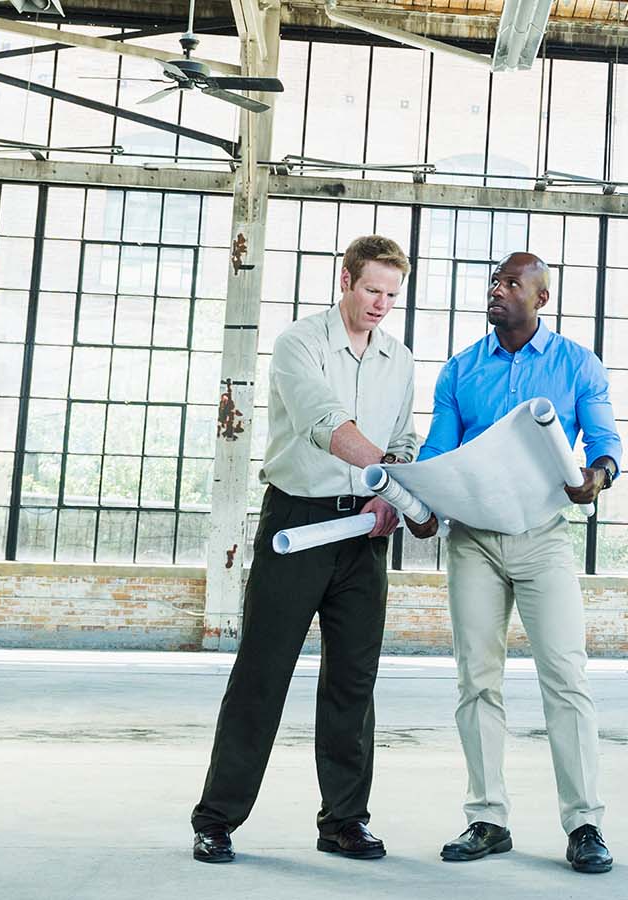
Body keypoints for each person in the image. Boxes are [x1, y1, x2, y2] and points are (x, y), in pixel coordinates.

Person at [190, 235, 419, 864]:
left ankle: (344, 820)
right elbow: (329, 428)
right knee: (263, 674)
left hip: (365, 533)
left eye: (392, 294)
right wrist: (394, 482)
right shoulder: (299, 344)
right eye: (372, 289)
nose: (380, 304)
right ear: (344, 279)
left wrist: (390, 493)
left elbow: (402, 436)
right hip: (299, 524)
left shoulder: (398, 360)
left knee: (353, 681)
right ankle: (216, 818)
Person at [418, 251, 621, 874]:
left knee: (565, 676)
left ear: (541, 298)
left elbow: (605, 443)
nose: (497, 290)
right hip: (473, 540)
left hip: (543, 536)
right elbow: (437, 450)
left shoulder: (576, 364)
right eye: (494, 281)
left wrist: (597, 476)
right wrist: (419, 495)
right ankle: (487, 819)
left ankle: (584, 823)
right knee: (477, 680)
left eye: (512, 283)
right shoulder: (460, 371)